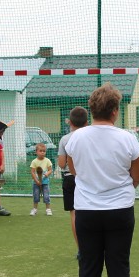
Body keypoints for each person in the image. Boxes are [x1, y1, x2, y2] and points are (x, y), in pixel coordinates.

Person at [65, 82, 139, 277]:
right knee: (119, 266)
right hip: (120, 209)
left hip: (86, 210)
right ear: (114, 111)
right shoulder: (127, 138)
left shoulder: (76, 138)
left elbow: (74, 171)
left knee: (89, 266)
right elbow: (137, 176)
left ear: (92, 109)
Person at [58, 106, 88, 259]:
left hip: (70, 178)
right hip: (88, 178)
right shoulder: (90, 136)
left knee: (74, 214)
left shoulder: (65, 139)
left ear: (69, 121)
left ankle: (81, 249)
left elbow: (62, 164)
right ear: (87, 121)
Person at [30, 143, 53, 216]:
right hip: (36, 183)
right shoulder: (34, 161)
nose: (42, 152)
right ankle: (35, 209)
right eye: (40, 151)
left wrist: (47, 174)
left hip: (45, 182)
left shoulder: (47, 160)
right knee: (36, 195)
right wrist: (36, 181)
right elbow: (33, 172)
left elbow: (50, 170)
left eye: (44, 151)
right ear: (36, 152)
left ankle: (48, 209)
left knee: (46, 196)